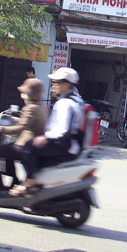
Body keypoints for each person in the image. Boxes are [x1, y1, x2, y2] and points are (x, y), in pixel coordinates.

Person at [13, 67, 84, 195]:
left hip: (64, 145)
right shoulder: (75, 100)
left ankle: (29, 184)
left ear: (66, 84)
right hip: (70, 145)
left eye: (57, 82)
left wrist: (46, 138)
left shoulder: (65, 103)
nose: (54, 85)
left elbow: (64, 130)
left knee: (28, 148)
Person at [0, 78, 48, 184]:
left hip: (26, 145)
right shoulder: (41, 106)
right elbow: (30, 122)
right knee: (8, 150)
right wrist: (16, 119)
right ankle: (14, 181)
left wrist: (0, 129)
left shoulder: (32, 107)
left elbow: (20, 128)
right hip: (31, 144)